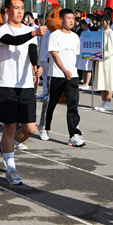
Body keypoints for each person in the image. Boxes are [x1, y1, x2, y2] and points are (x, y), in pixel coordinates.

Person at [0, 0, 46, 185]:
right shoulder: (0, 31)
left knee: (30, 128)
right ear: (7, 10)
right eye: (16, 8)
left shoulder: (29, 30)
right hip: (7, 84)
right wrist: (34, 33)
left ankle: (7, 147)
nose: (20, 11)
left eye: (22, 7)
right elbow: (14, 41)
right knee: (10, 127)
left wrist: (36, 66)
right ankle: (11, 168)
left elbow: (31, 51)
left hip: (25, 85)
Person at [41, 8, 85, 147]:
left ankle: (73, 135)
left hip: (72, 75)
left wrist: (70, 71)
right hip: (56, 75)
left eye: (73, 18)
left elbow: (74, 55)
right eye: (68, 18)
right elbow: (55, 55)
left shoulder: (75, 37)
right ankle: (44, 127)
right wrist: (64, 70)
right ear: (61, 19)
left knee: (73, 105)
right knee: (51, 102)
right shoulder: (54, 35)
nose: (71, 21)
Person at [92, 14, 113, 112]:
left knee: (108, 80)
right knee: (101, 80)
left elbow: (111, 50)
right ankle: (103, 102)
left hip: (107, 61)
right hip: (100, 60)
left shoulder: (111, 34)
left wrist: (100, 56)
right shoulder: (101, 33)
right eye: (101, 21)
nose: (101, 23)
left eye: (103, 21)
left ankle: (108, 103)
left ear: (108, 21)